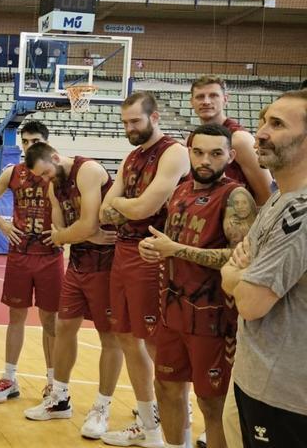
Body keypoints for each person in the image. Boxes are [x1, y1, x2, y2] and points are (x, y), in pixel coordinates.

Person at [139, 124, 257, 448]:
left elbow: (241, 256)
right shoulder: (180, 190)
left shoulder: (236, 196)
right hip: (173, 309)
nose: (205, 160)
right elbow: (170, 241)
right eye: (199, 152)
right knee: (166, 386)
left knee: (211, 404)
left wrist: (176, 250)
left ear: (230, 156)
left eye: (216, 153)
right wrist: (151, 247)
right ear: (189, 152)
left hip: (214, 317)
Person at [99, 91, 190, 447]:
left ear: (154, 118)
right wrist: (127, 205)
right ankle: (149, 424)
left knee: (157, 344)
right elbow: (106, 212)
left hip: (154, 253)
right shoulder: (131, 157)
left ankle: (176, 426)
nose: (129, 128)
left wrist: (124, 205)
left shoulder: (174, 151)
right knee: (125, 336)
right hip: (123, 252)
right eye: (125, 122)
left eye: (135, 121)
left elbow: (147, 207)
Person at [221, 90, 307, 448]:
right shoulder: (278, 198)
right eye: (262, 121)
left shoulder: (300, 213)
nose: (260, 133)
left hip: (284, 398)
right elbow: (232, 266)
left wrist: (241, 274)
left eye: (277, 124)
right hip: (253, 378)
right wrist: (240, 273)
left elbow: (251, 301)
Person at [20, 143, 123, 440]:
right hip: (78, 264)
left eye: (47, 172)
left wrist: (71, 233)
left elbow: (87, 224)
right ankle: (60, 398)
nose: (46, 179)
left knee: (110, 337)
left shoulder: (87, 170)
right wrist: (74, 234)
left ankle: (102, 408)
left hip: (107, 265)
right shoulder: (54, 186)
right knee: (62, 327)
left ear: (55, 157)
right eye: (42, 176)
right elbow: (60, 231)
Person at [0, 120, 63, 403]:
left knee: (50, 321)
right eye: (26, 141)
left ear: (47, 143)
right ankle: (9, 377)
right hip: (19, 254)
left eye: (35, 141)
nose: (29, 146)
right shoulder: (12, 172)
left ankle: (53, 382)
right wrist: (2, 225)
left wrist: (63, 233)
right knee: (15, 317)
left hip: (49, 255)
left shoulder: (56, 173)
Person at [188, 75, 272, 205]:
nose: (206, 101)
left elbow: (266, 194)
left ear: (225, 100)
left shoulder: (239, 139)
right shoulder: (193, 139)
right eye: (200, 97)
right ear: (191, 102)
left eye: (213, 95)